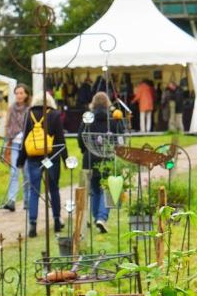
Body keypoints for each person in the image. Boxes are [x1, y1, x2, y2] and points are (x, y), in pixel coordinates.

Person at [17, 92, 69, 238]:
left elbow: (25, 139)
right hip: (51, 157)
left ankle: (32, 223)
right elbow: (60, 139)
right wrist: (65, 159)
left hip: (33, 157)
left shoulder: (29, 114)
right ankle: (57, 220)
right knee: (53, 189)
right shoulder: (54, 115)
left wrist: (20, 160)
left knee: (34, 190)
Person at [77, 92, 123, 234]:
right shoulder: (114, 118)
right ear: (108, 103)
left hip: (90, 158)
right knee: (107, 188)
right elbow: (120, 137)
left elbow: (80, 137)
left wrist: (86, 150)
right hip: (107, 158)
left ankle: (97, 217)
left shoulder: (88, 118)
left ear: (93, 103)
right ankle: (101, 217)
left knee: (95, 190)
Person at [0, 84, 30, 212]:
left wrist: (23, 133)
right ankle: (11, 200)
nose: (19, 95)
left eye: (21, 93)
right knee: (14, 172)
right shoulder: (11, 109)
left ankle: (28, 200)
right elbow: (8, 125)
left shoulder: (30, 109)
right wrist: (10, 136)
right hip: (14, 143)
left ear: (26, 94)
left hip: (27, 145)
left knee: (27, 173)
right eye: (16, 93)